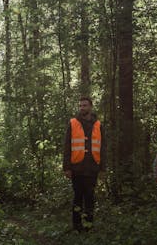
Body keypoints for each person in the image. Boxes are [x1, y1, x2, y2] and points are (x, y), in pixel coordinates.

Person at [63, 97, 107, 232]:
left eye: (85, 105)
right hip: (77, 168)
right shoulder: (73, 123)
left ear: (90, 107)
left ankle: (89, 226)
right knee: (77, 197)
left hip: (92, 168)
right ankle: (76, 226)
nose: (82, 108)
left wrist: (102, 168)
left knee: (90, 197)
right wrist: (67, 167)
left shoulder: (98, 125)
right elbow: (67, 146)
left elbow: (103, 147)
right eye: (80, 105)